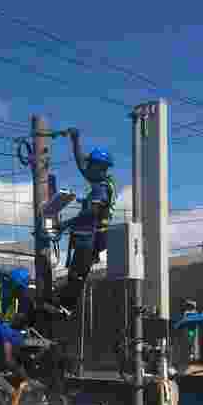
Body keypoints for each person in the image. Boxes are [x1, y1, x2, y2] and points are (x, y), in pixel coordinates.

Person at [57, 129, 116, 315]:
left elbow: (92, 212)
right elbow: (82, 164)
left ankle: (66, 307)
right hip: (89, 237)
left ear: (100, 167)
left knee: (77, 274)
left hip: (92, 238)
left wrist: (66, 224)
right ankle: (65, 303)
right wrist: (75, 141)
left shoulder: (102, 189)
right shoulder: (100, 181)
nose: (87, 168)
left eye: (91, 165)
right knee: (75, 273)